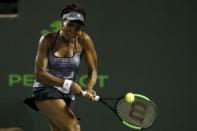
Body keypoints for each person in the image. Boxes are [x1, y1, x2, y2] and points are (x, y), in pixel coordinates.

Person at [24, 3, 97, 131]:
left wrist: (89, 88)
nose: (73, 30)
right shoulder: (47, 40)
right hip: (45, 91)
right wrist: (68, 84)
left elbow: (93, 70)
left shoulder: (84, 40)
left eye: (77, 27)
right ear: (62, 22)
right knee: (74, 128)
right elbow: (40, 74)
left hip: (67, 95)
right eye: (70, 25)